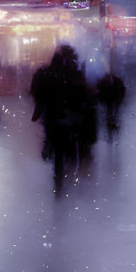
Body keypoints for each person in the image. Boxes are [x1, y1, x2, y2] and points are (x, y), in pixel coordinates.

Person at [31, 46, 97, 192]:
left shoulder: (46, 73)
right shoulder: (74, 74)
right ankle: (66, 184)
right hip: (69, 120)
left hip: (55, 120)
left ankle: (59, 183)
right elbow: (84, 97)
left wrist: (39, 109)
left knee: (58, 152)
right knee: (67, 152)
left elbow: (38, 92)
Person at [96, 70, 127, 142]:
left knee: (114, 116)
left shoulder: (114, 82)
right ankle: (113, 134)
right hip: (111, 101)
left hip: (113, 101)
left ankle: (114, 135)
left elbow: (100, 91)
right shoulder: (115, 82)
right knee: (112, 116)